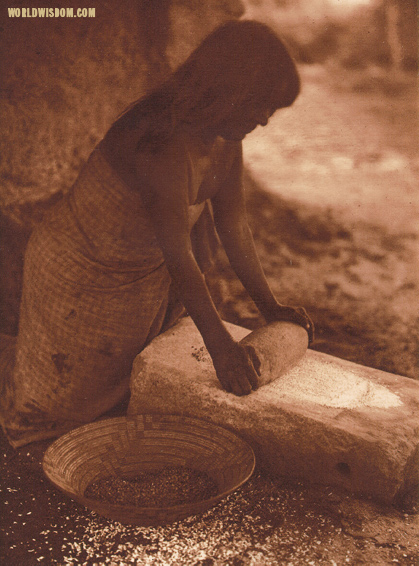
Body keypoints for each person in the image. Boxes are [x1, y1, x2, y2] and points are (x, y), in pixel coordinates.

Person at [0, 19, 313, 447]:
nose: (263, 120)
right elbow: (179, 255)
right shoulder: (160, 139)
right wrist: (221, 347)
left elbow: (234, 225)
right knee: (58, 411)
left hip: (141, 273)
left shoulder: (225, 137)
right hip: (82, 273)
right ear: (227, 90)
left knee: (129, 383)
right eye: (259, 104)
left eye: (271, 111)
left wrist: (270, 306)